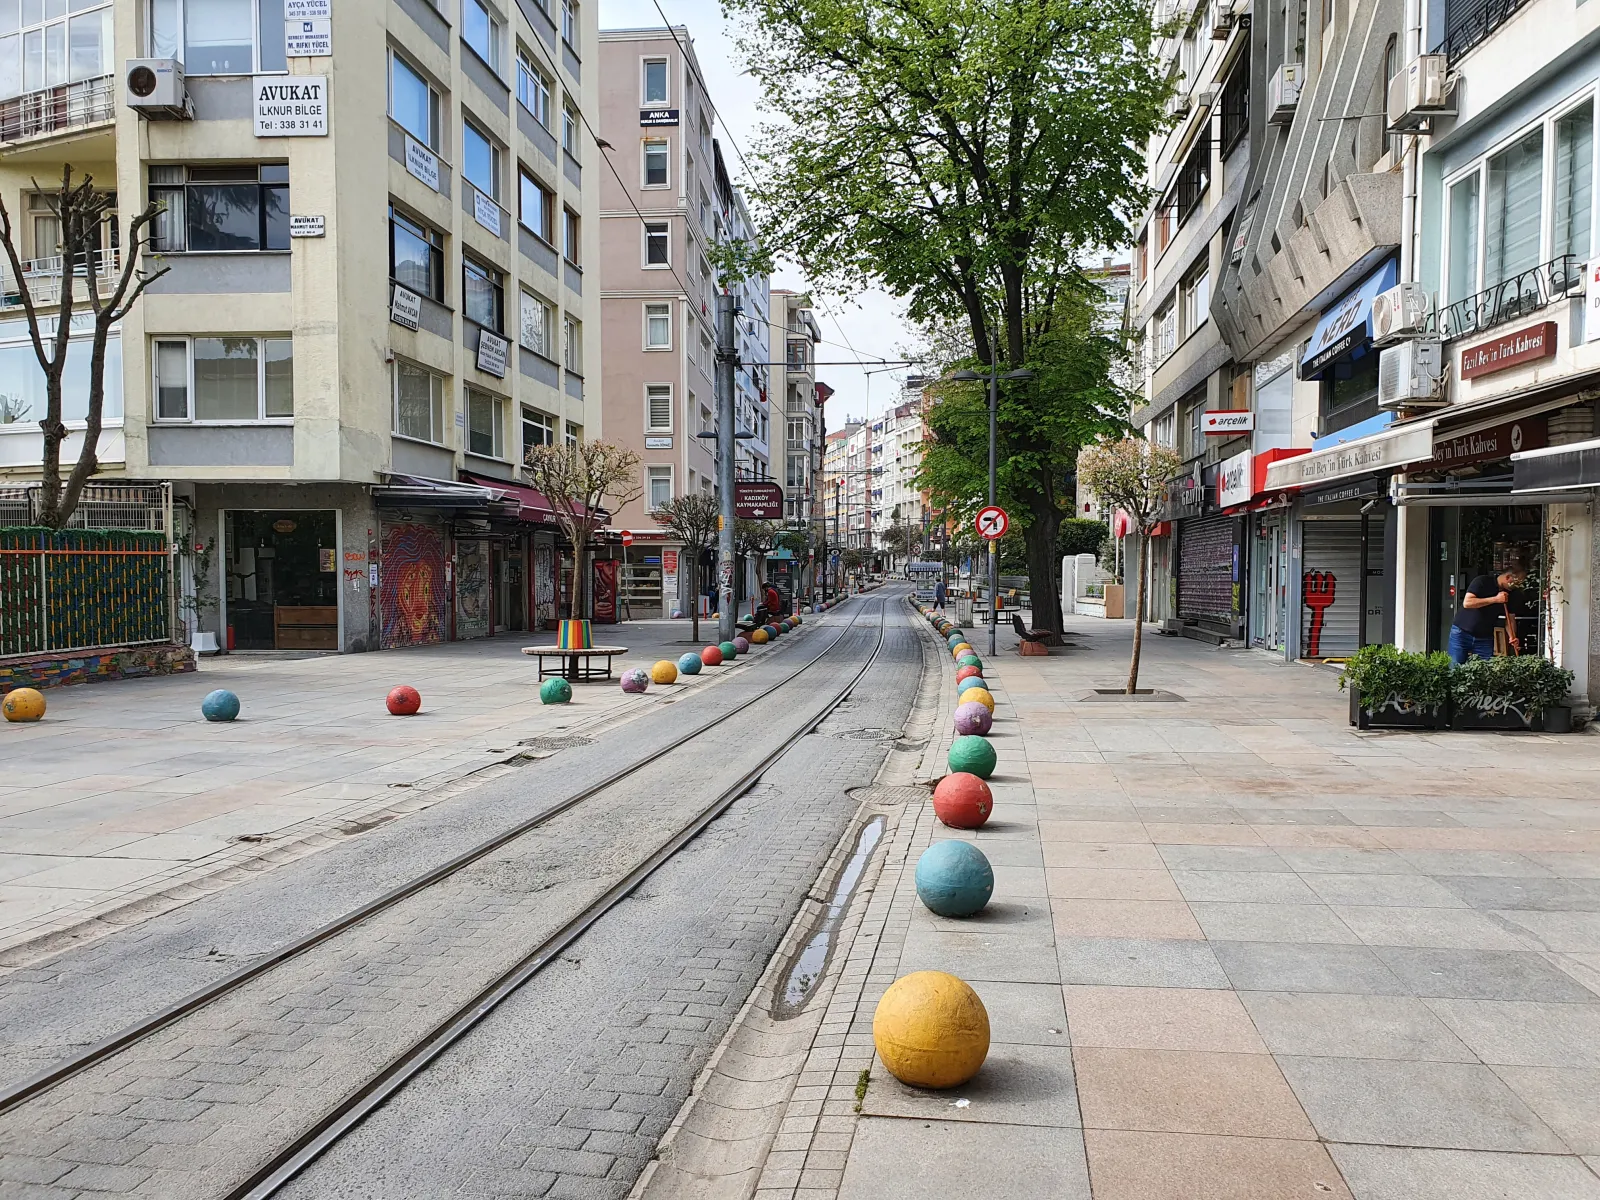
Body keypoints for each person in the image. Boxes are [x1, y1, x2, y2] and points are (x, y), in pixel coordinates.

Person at [1449, 556, 1528, 665]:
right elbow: (1467, 603)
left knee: (1485, 670)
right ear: (1508, 577)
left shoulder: (1513, 594)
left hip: (1484, 637)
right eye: (1517, 582)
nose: (1518, 585)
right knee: (1455, 666)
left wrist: (1512, 636)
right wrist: (1495, 599)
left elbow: (1510, 619)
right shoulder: (1482, 581)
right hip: (1462, 632)